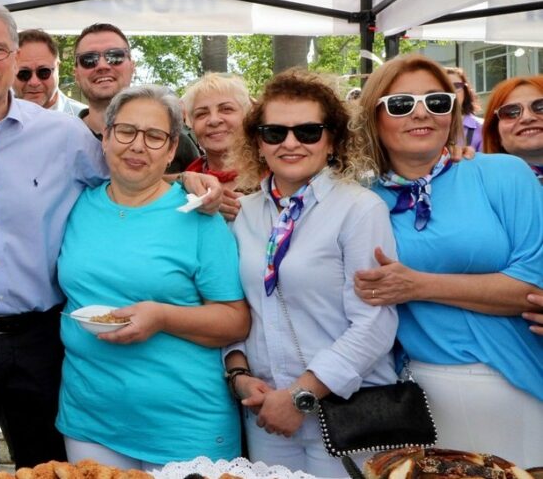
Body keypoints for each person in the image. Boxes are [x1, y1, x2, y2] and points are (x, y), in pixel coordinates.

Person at [0, 3, 222, 475]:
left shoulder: (64, 135)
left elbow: (130, 177)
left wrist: (184, 182)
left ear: (13, 59)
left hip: (42, 336)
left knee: (50, 466)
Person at [352, 54, 543, 466]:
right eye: (401, 104)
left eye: (437, 102)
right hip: (415, 393)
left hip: (517, 381)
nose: (421, 113)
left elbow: (532, 287)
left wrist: (417, 285)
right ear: (374, 117)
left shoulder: (504, 174)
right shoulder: (361, 201)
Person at [57, 84, 248, 469]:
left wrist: (162, 317)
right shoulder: (76, 204)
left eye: (154, 136)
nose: (137, 146)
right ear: (106, 136)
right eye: (126, 131)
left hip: (186, 425)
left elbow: (235, 319)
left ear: (172, 146)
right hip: (90, 420)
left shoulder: (199, 215)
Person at [224, 70, 398, 476]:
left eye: (307, 131)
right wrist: (239, 375)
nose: (290, 143)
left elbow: (375, 322)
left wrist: (302, 394)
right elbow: (235, 307)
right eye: (274, 132)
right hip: (267, 411)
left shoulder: (359, 209)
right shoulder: (245, 214)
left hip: (345, 410)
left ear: (332, 139)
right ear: (258, 142)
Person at [73, 23, 199, 171]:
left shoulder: (172, 139)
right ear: (76, 73)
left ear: (133, 66)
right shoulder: (62, 141)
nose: (102, 66)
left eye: (115, 56)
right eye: (89, 60)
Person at [181, 72, 253, 220]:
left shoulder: (275, 176)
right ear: (192, 125)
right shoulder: (183, 188)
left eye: (226, 109)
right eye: (201, 114)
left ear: (247, 117)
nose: (213, 120)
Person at [481, 74, 543, 183]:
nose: (527, 118)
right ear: (496, 135)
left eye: (540, 107)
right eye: (510, 112)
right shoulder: (479, 184)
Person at [12, 29, 85, 115]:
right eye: (24, 74)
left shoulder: (84, 121)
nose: (34, 82)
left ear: (57, 67)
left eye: (43, 72)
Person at [444, 67, 483, 152]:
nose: (451, 91)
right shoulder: (428, 127)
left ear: (465, 91)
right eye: (445, 87)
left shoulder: (482, 128)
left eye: (456, 86)